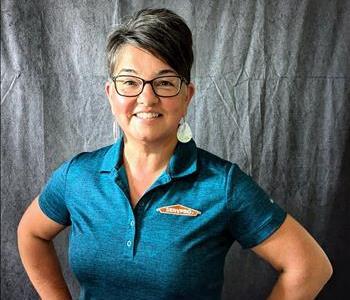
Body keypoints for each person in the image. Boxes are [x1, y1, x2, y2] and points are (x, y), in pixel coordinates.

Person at [17, 8, 332, 300]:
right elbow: (31, 233)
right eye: (130, 82)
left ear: (187, 96)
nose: (147, 97)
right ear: (111, 94)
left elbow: (310, 267)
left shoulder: (223, 186)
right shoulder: (77, 176)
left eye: (164, 82)